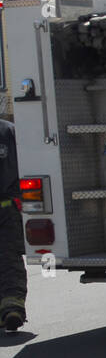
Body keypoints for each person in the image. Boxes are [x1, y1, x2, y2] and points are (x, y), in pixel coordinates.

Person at [0, 118, 26, 333]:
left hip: (8, 208)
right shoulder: (9, 131)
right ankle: (12, 308)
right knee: (9, 258)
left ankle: (10, 310)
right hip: (8, 209)